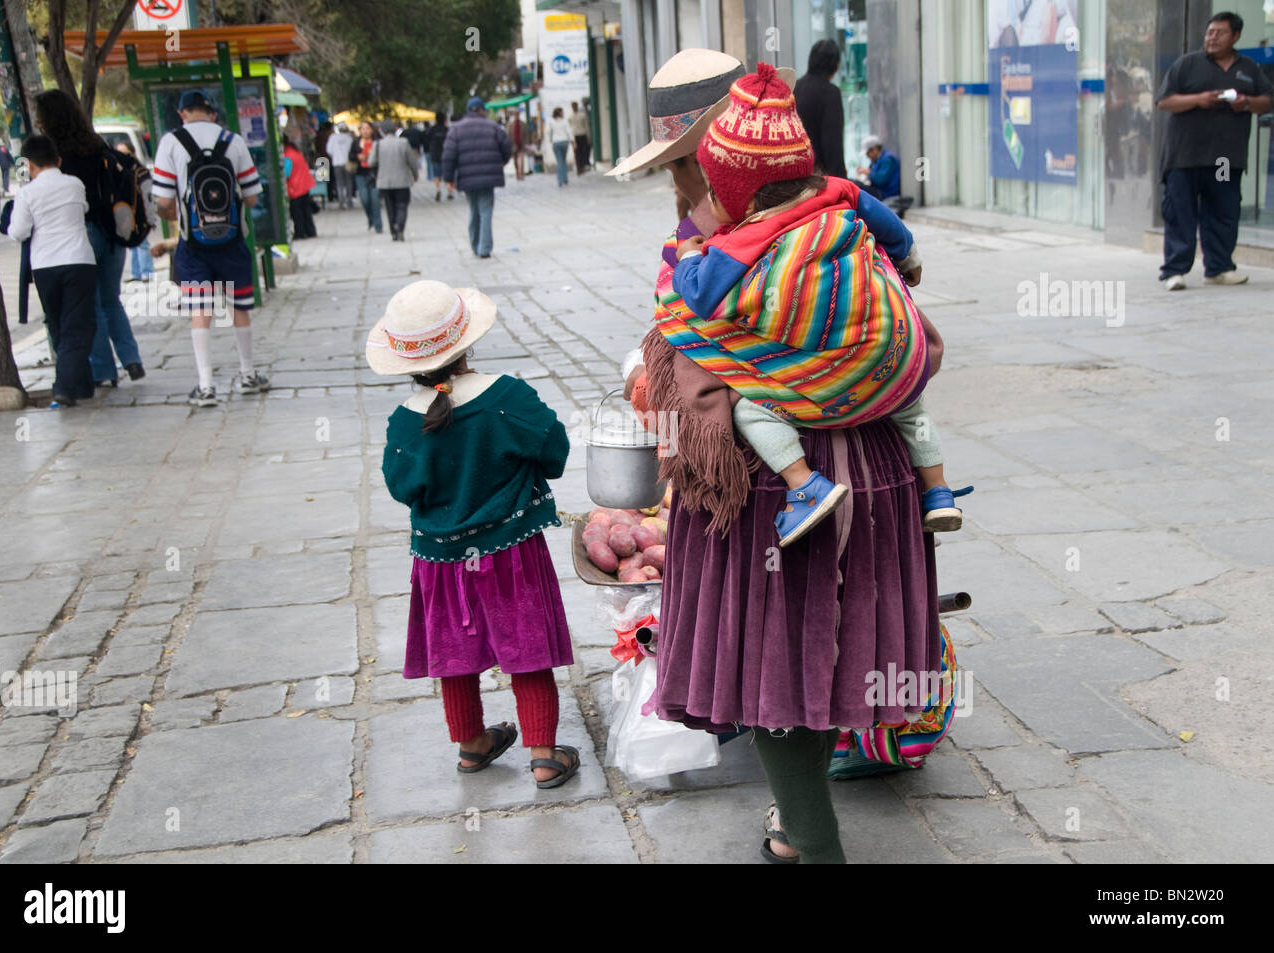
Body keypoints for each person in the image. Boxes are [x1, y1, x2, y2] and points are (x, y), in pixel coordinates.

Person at [610, 48, 944, 864]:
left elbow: (695, 380)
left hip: (771, 486)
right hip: (871, 461)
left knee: (780, 665)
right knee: (827, 652)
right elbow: (910, 328)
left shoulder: (716, 243)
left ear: (708, 158)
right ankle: (807, 816)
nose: (680, 183)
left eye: (682, 164)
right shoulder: (840, 211)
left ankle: (812, 837)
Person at [671, 64, 966, 542]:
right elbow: (893, 230)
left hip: (824, 386)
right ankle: (938, 490)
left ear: (736, 193)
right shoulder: (838, 191)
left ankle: (803, 484)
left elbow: (702, 295)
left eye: (713, 185)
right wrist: (908, 262)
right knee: (912, 406)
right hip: (889, 366)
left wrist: (687, 255)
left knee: (751, 408)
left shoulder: (743, 240)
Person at [367, 279, 581, 788]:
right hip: (513, 554)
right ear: (466, 344)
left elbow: (402, 488)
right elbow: (555, 454)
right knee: (527, 646)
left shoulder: (404, 422)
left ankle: (471, 746)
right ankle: (545, 755)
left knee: (454, 651)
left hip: (440, 562)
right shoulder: (508, 397)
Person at [150, 89, 268, 407]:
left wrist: (174, 215)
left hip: (193, 244)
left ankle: (205, 387)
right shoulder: (234, 142)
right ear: (211, 112)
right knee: (239, 307)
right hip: (233, 241)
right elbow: (253, 197)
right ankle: (247, 375)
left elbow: (163, 201)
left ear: (182, 113)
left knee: (200, 311)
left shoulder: (171, 143)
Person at [35, 89, 146, 388]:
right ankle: (131, 358)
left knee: (91, 304)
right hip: (113, 232)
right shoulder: (97, 144)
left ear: (48, 118)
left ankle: (103, 371)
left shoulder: (54, 155)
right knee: (111, 298)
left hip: (82, 234)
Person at [1156, 11, 1273, 290]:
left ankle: (1219, 268)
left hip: (1223, 158)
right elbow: (1164, 101)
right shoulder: (1187, 64)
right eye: (1210, 32)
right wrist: (1198, 99)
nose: (1212, 37)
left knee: (1222, 210)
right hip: (1185, 155)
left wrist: (1245, 103)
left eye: (1220, 33)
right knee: (1180, 212)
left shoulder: (1248, 68)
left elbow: (1267, 102)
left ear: (1235, 36)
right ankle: (1174, 271)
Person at [7, 135, 97, 408]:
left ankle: (77, 385)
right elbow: (84, 210)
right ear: (58, 160)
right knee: (78, 326)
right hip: (79, 261)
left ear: (28, 164)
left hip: (45, 266)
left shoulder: (26, 193)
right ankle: (67, 386)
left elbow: (18, 231)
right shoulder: (75, 184)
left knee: (58, 325)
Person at [442, 97, 512, 259]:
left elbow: (448, 155)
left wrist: (449, 178)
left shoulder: (456, 129)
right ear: (481, 110)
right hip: (488, 176)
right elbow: (507, 147)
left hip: (467, 177)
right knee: (486, 210)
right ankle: (484, 248)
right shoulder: (493, 126)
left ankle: (475, 245)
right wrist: (501, 162)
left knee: (474, 210)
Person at [794, 39, 848, 178]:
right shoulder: (830, 93)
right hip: (818, 180)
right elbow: (832, 146)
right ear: (836, 66)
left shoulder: (794, 88)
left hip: (794, 177)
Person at [370, 119, 418, 242]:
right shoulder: (403, 142)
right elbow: (412, 160)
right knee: (402, 205)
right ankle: (400, 225)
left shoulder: (378, 144)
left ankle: (393, 232)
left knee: (390, 207)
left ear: (382, 130)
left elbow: (371, 162)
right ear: (395, 129)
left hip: (385, 182)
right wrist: (415, 174)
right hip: (402, 180)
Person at [113, 141, 154, 282]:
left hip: (140, 211)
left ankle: (147, 272)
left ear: (133, 153)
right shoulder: (121, 171)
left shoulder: (138, 171)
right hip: (127, 212)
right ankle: (136, 272)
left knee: (141, 241)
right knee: (132, 242)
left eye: (125, 153)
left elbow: (148, 194)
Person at [283, 132, 317, 239]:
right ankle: (311, 231)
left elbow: (286, 173)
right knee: (306, 211)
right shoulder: (295, 152)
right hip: (304, 185)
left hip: (295, 187)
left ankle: (300, 233)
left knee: (297, 213)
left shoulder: (287, 155)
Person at [355, 120, 384, 233]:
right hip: (360, 174)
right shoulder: (356, 142)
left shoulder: (377, 142)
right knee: (364, 198)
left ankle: (378, 225)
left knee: (375, 199)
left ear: (371, 129)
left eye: (367, 128)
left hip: (374, 173)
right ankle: (370, 218)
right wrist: (358, 156)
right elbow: (350, 156)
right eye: (363, 128)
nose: (365, 131)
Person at [855, 134, 901, 199]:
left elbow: (881, 180)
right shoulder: (875, 161)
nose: (867, 156)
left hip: (886, 193)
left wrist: (867, 172)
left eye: (868, 153)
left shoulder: (888, 159)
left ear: (875, 149)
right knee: (854, 183)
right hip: (878, 191)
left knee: (858, 188)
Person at [327, 122, 355, 209]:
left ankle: (341, 201)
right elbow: (352, 150)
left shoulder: (333, 138)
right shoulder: (349, 138)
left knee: (339, 183)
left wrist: (335, 156)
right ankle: (349, 200)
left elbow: (329, 150)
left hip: (337, 163)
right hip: (347, 163)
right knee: (348, 182)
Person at [548, 107, 572, 187]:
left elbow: (549, 131)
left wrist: (551, 139)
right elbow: (569, 131)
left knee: (559, 161)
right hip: (564, 141)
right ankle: (565, 179)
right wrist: (572, 140)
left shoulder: (551, 121)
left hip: (556, 142)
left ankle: (560, 180)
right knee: (563, 160)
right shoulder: (565, 121)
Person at [427, 114, 450, 198]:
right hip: (446, 154)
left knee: (436, 174)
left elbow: (427, 139)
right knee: (446, 173)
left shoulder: (432, 129)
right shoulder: (447, 130)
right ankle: (449, 191)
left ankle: (438, 189)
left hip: (435, 154)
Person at [569, 100, 592, 174]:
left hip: (580, 135)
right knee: (579, 152)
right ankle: (580, 167)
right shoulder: (572, 116)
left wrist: (588, 136)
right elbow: (587, 126)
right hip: (578, 135)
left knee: (580, 152)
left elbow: (586, 126)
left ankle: (581, 166)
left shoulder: (578, 115)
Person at [505, 110, 524, 181]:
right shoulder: (510, 125)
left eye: (517, 115)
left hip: (522, 144)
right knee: (515, 160)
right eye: (515, 115)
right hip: (513, 144)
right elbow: (507, 135)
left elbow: (526, 134)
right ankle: (517, 172)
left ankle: (521, 173)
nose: (516, 116)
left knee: (521, 159)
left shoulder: (523, 124)